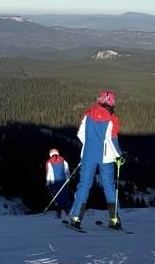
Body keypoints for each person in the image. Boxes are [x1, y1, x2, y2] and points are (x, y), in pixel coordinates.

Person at [69, 90, 124, 229]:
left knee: (84, 185)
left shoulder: (89, 114)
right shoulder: (112, 118)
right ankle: (114, 219)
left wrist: (89, 145)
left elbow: (80, 134)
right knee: (109, 186)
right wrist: (119, 156)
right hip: (106, 157)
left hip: (88, 155)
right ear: (111, 103)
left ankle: (76, 217)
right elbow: (112, 140)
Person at [45, 148, 70, 218]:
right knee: (64, 196)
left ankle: (58, 213)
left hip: (54, 182)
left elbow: (49, 173)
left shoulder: (49, 162)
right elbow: (67, 171)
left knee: (56, 197)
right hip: (63, 181)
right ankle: (67, 211)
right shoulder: (64, 161)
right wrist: (68, 180)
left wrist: (48, 182)